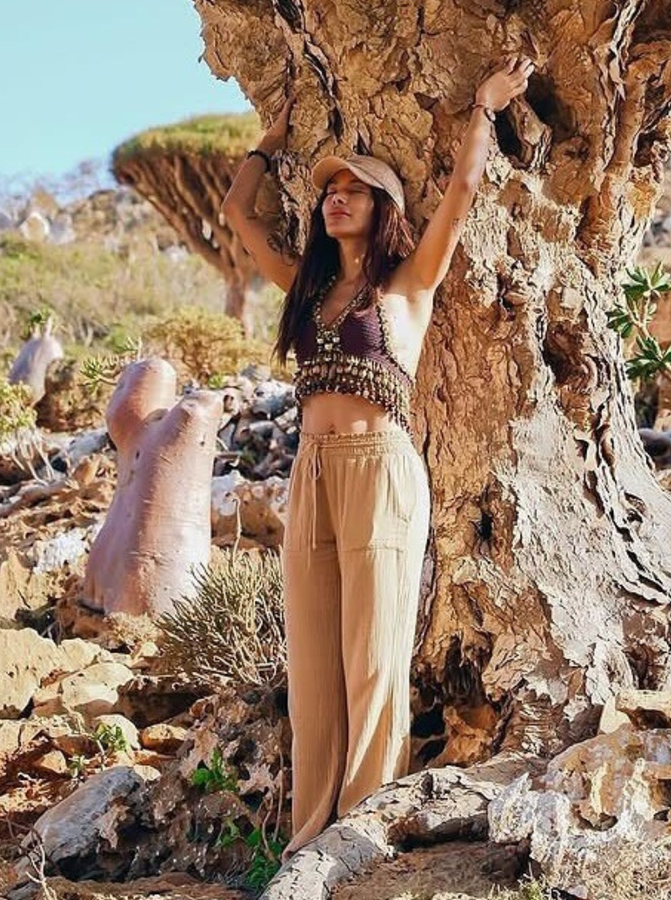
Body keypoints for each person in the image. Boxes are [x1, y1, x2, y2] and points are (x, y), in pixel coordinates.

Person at [221, 55, 534, 859]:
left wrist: (485, 107)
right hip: (312, 472)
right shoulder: (304, 289)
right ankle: (308, 835)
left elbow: (461, 195)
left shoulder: (408, 286)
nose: (337, 197)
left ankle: (359, 833)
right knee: (313, 662)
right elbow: (238, 215)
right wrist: (268, 144)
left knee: (373, 654)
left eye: (354, 189)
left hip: (381, 469)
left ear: (383, 206)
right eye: (330, 189)